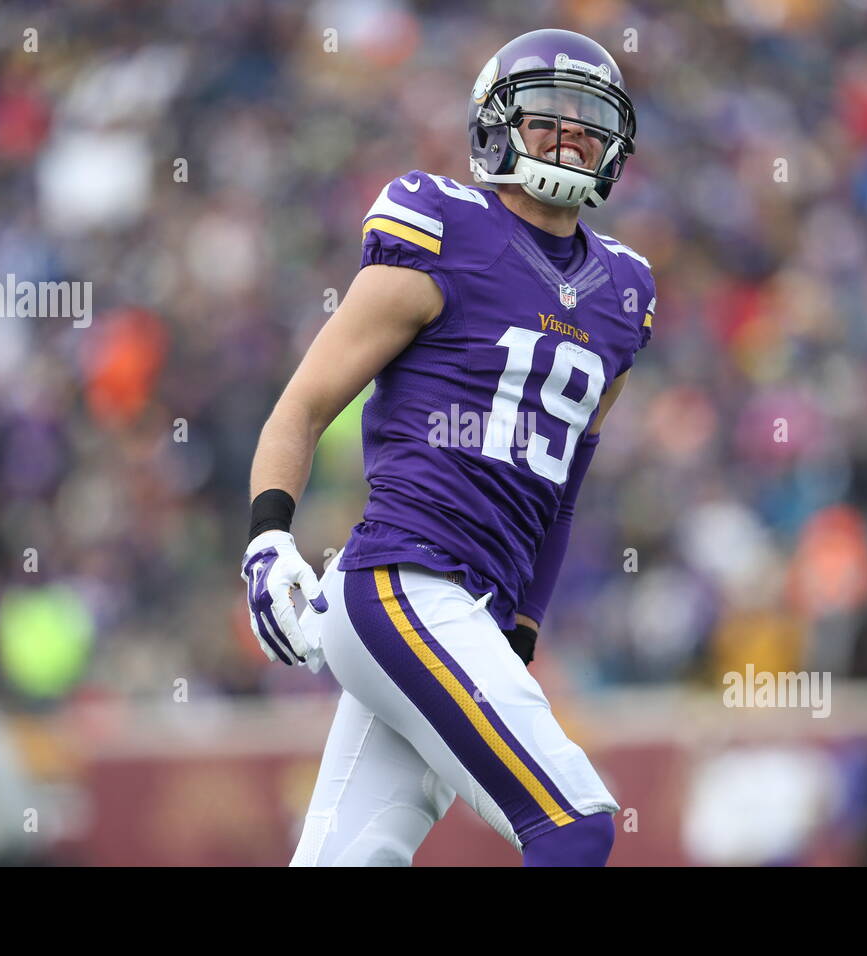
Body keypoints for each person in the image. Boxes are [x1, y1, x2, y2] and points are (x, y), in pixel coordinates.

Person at [241, 28, 655, 866]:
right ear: (498, 127)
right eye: (548, 118)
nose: (570, 136)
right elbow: (305, 403)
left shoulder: (625, 292)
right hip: (401, 581)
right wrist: (268, 536)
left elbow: (563, 488)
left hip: (468, 611)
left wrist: (522, 631)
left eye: (588, 121)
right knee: (575, 823)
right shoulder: (445, 227)